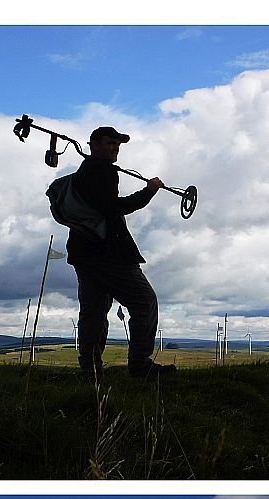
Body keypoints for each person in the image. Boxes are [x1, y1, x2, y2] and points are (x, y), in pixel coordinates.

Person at [66, 126, 174, 381]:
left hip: (84, 251)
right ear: (94, 145)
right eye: (109, 143)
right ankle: (139, 364)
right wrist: (149, 191)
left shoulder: (88, 172)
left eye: (117, 144)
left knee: (93, 312)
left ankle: (90, 372)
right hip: (107, 252)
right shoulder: (101, 171)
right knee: (144, 300)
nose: (115, 148)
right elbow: (114, 208)